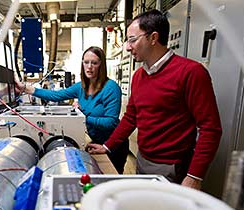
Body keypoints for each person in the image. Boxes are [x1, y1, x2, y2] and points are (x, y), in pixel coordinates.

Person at [87, 10, 222, 190]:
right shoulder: (139, 76)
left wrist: (194, 176)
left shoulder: (191, 72)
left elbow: (210, 129)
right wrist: (108, 146)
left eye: (132, 40)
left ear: (153, 38)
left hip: (172, 168)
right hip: (143, 161)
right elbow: (130, 118)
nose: (127, 47)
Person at [16, 46, 129, 174]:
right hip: (96, 141)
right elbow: (56, 95)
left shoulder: (111, 88)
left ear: (101, 65)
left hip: (114, 145)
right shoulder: (81, 87)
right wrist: (25, 88)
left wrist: (83, 117)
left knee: (110, 178)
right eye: (86, 62)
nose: (89, 67)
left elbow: (111, 123)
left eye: (94, 63)